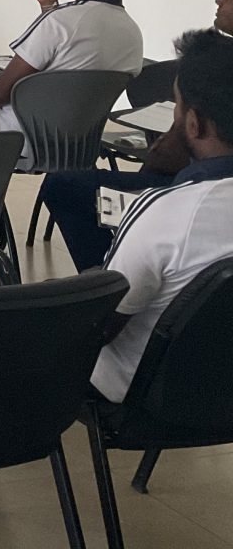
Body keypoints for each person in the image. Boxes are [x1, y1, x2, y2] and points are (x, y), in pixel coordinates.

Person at [41, 0, 233, 271]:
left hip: (200, 188)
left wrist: (170, 150)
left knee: (64, 186)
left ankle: (103, 277)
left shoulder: (211, 70)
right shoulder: (215, 60)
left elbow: (173, 155)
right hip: (199, 185)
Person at [92, 28, 233, 402]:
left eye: (177, 105)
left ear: (194, 123)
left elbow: (102, 325)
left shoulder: (165, 212)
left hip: (149, 400)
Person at [0, 0, 144, 142]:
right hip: (77, 145)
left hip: (16, 138)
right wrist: (49, 5)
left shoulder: (62, 21)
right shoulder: (132, 33)